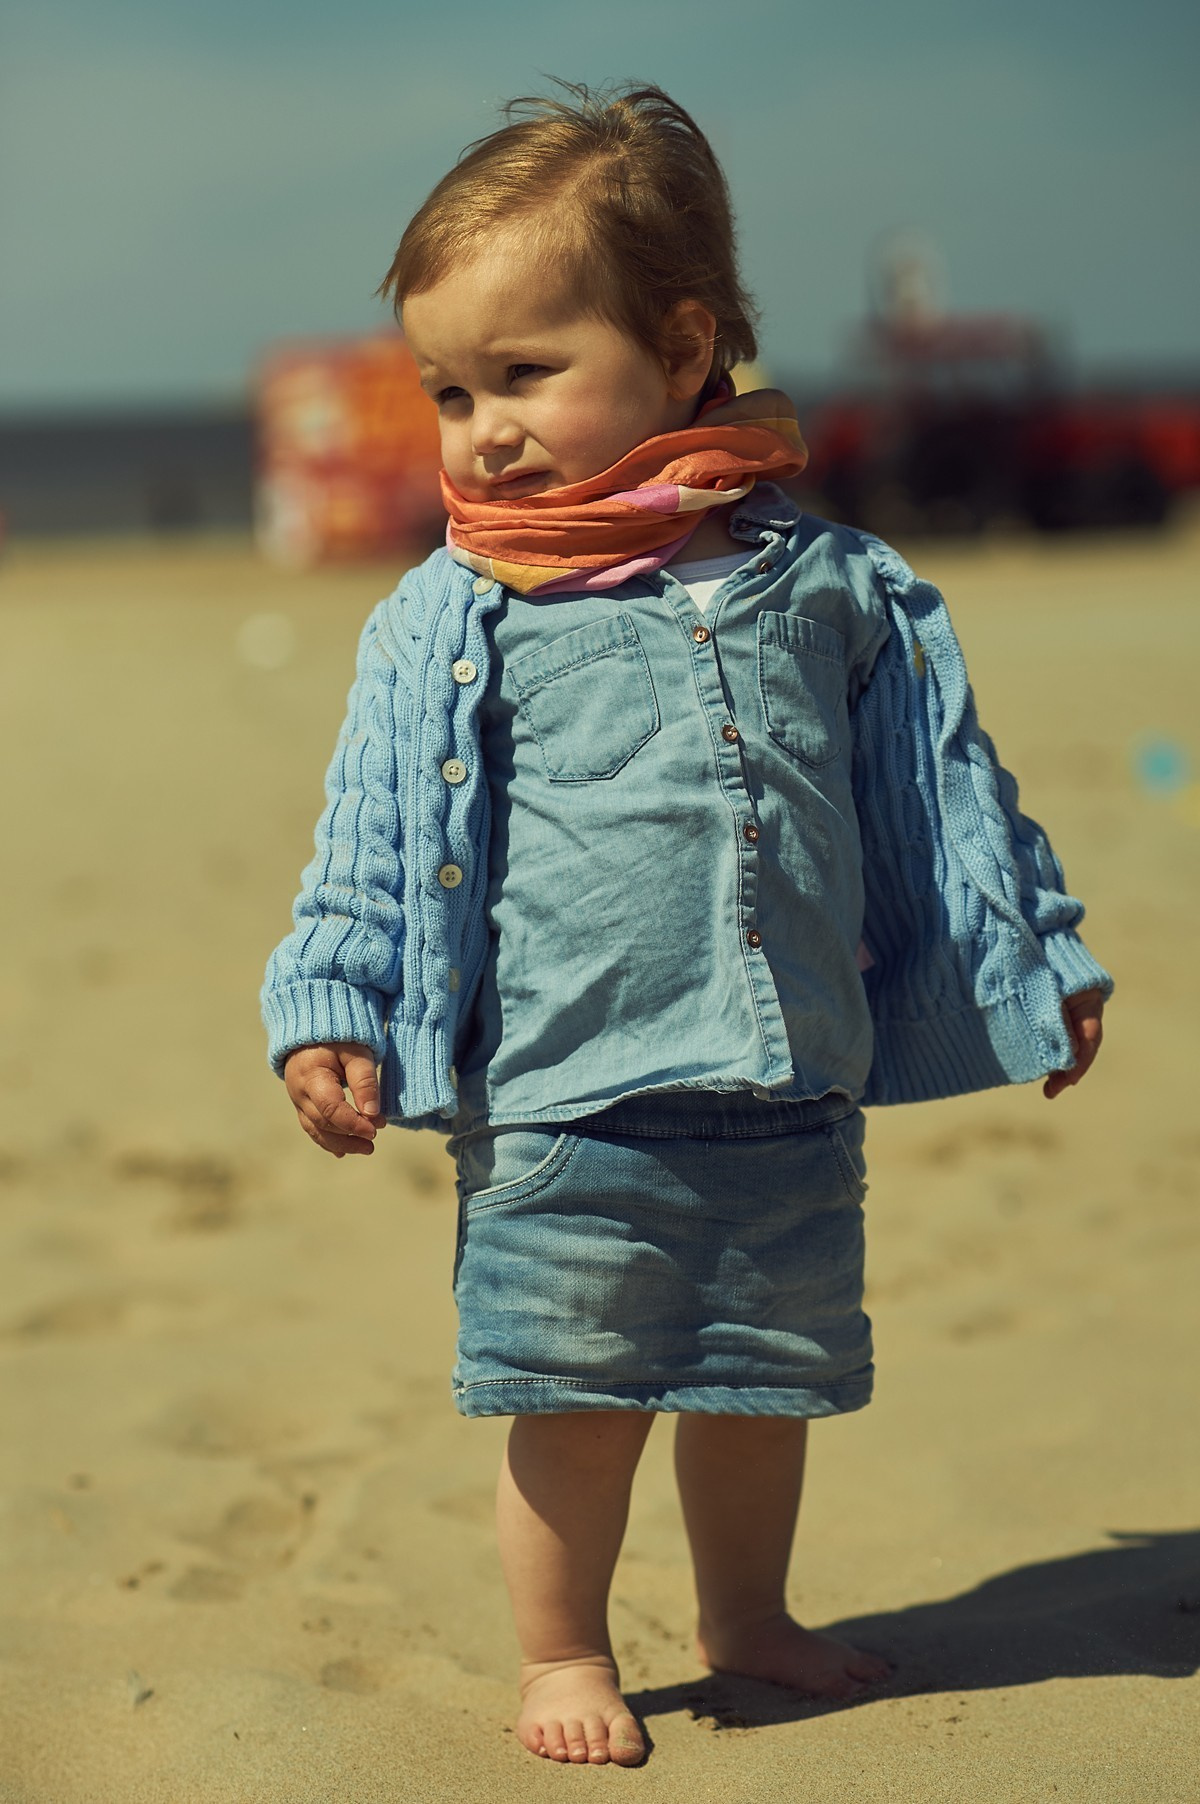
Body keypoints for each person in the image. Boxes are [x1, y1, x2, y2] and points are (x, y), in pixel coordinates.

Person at [262, 82, 1111, 1768]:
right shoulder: (456, 612)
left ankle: (746, 1618)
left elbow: (944, 793)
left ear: (682, 341)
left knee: (757, 1384)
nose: (480, 428)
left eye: (525, 374)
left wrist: (1041, 952)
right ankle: (565, 1652)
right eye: (450, 389)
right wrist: (331, 997)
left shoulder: (828, 583)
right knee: (570, 1397)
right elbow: (370, 835)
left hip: (785, 1080)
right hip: (565, 1094)